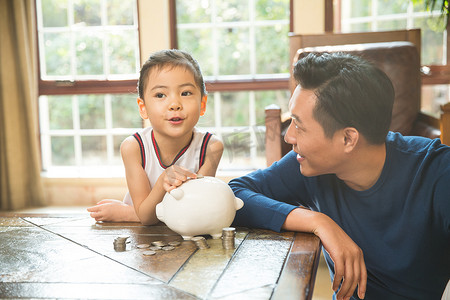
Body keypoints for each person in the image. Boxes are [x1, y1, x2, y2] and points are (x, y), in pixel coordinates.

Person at [229, 52, 450, 300]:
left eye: (299, 126)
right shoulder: (309, 165)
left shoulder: (437, 172)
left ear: (348, 139)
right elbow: (234, 196)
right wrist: (319, 222)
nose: (288, 137)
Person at [87, 49, 224, 224]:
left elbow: (193, 211)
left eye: (186, 93)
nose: (175, 104)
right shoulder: (133, 147)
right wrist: (162, 182)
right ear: (143, 108)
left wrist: (128, 214)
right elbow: (146, 217)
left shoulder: (211, 147)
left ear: (202, 104)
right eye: (160, 95)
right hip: (144, 234)